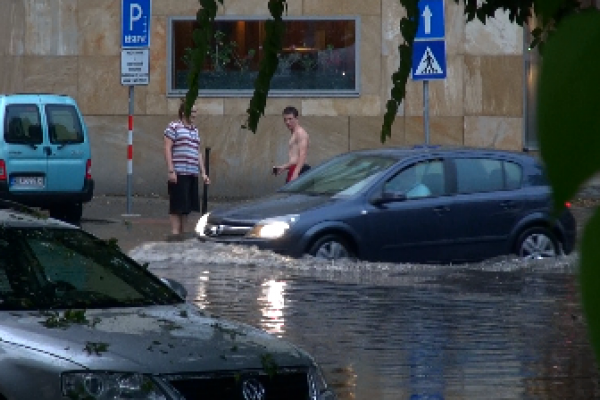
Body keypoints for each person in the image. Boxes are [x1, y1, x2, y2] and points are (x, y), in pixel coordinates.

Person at [164, 101, 210, 236]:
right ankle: (175, 233)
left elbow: (198, 152)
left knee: (186, 208)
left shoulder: (195, 130)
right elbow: (167, 148)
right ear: (184, 112)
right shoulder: (174, 127)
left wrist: (203, 173)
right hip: (179, 172)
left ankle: (182, 234)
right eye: (192, 112)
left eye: (196, 112)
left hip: (192, 173)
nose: (195, 115)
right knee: (176, 207)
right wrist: (171, 170)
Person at [273, 106, 310, 183]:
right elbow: (295, 159)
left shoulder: (300, 133)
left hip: (300, 170)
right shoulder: (294, 133)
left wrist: (296, 173)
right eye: (285, 120)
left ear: (296, 118)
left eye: (290, 119)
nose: (287, 122)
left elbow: (303, 155)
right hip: (295, 169)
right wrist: (283, 167)